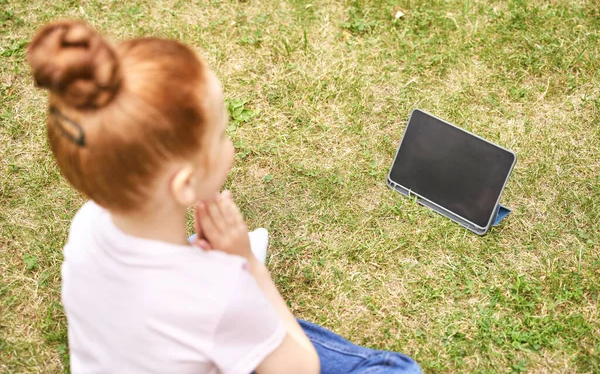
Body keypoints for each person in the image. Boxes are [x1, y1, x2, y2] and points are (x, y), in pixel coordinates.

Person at [27, 21, 421, 374]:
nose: (229, 143)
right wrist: (245, 264)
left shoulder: (86, 226)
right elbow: (303, 367)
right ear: (184, 185)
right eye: (220, 135)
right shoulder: (218, 292)